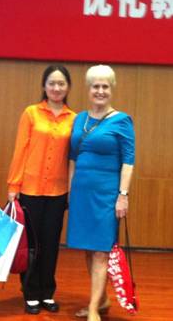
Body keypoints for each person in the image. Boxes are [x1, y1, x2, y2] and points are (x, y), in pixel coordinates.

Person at [67, 65, 136, 321]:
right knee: (88, 248)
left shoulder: (122, 121)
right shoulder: (79, 119)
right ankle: (102, 299)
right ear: (88, 89)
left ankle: (94, 309)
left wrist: (123, 195)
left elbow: (128, 161)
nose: (100, 91)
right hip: (81, 194)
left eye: (105, 86)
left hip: (106, 195)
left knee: (101, 250)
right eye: (95, 86)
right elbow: (72, 157)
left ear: (112, 89)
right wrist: (71, 191)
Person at [6, 65, 76, 315]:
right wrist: (13, 185)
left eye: (61, 83)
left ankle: (47, 292)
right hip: (30, 189)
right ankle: (30, 292)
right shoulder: (31, 113)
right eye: (52, 83)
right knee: (31, 244)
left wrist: (73, 190)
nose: (56, 88)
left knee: (51, 244)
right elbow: (20, 150)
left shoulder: (74, 118)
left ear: (68, 87)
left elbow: (74, 158)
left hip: (58, 192)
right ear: (44, 86)